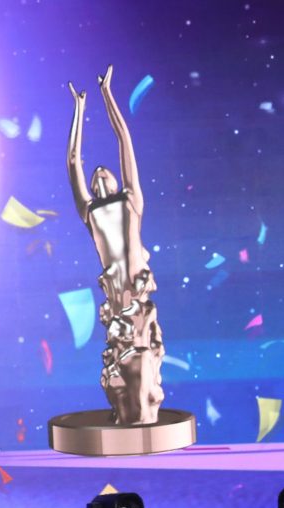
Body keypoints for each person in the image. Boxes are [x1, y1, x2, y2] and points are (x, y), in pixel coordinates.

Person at [68, 64, 165, 425]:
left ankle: (145, 412)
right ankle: (128, 413)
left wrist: (107, 94)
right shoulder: (90, 211)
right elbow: (73, 161)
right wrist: (79, 109)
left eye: (104, 171)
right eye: (95, 174)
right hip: (117, 299)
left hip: (136, 293)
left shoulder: (131, 201)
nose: (98, 172)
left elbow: (124, 140)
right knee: (120, 361)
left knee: (143, 353)